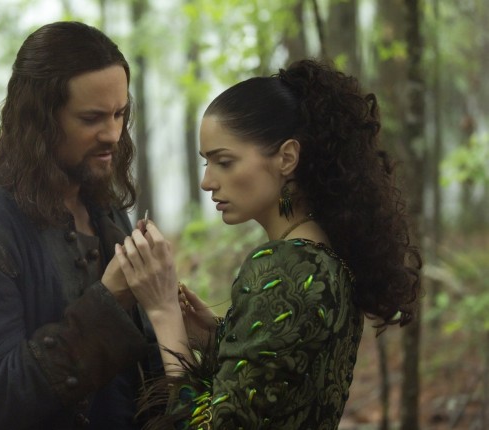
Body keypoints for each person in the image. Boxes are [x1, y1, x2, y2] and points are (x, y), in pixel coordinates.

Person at [115, 59, 422, 429]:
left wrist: (164, 312)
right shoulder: (327, 255)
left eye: (224, 161)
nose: (207, 182)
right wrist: (219, 337)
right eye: (206, 163)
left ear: (287, 158)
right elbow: (278, 387)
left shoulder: (283, 267)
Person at [0, 21, 163, 430]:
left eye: (119, 114)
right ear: (39, 119)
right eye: (92, 118)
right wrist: (111, 301)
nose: (113, 134)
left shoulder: (105, 210)